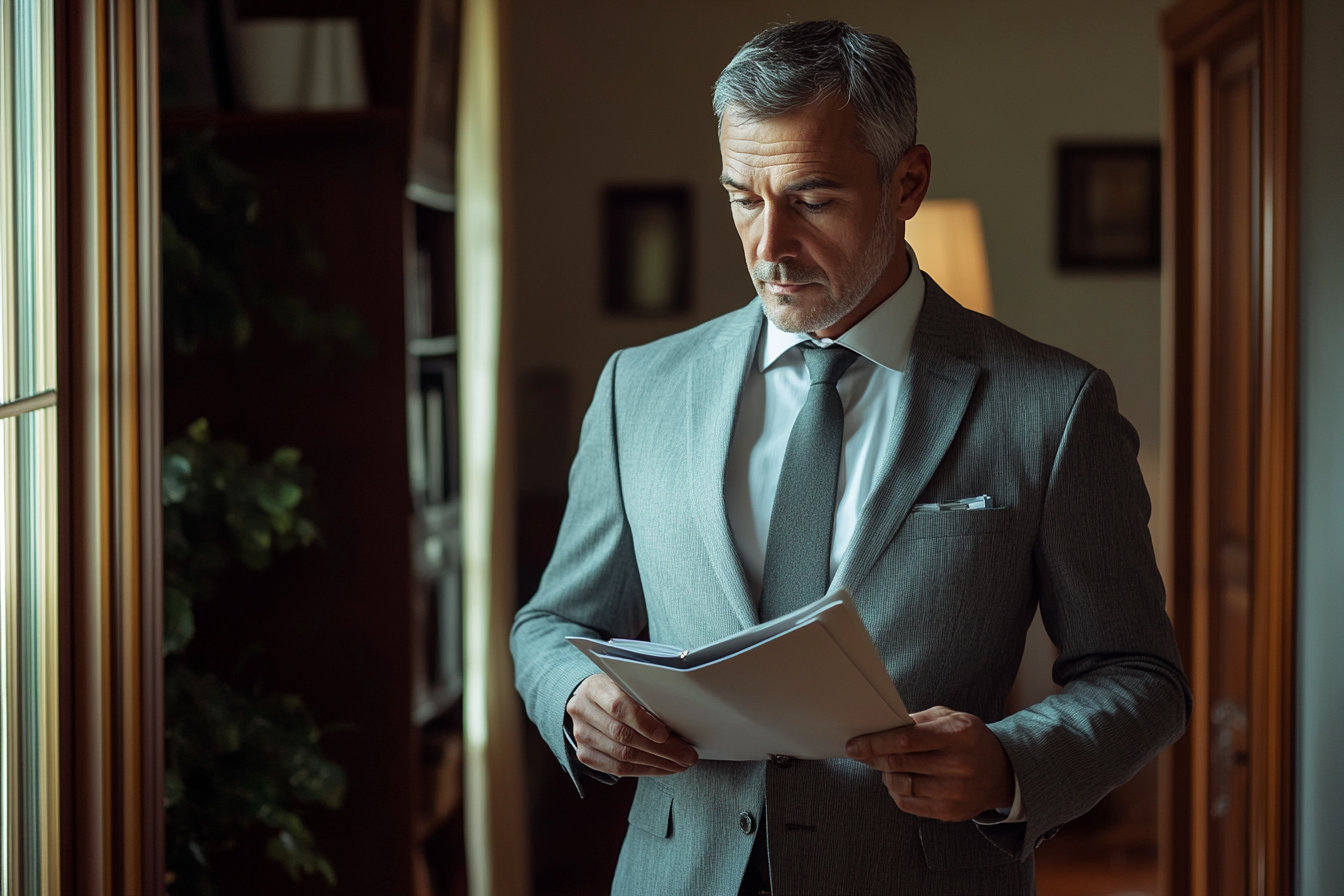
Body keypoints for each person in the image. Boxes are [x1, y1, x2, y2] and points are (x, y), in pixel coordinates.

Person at [510, 19, 1190, 896]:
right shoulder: (635, 389)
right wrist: (574, 699)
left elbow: (1141, 676)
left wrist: (1008, 764)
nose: (768, 247)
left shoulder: (1053, 407)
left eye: (812, 198)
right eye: (743, 198)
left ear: (908, 183)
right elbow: (552, 622)